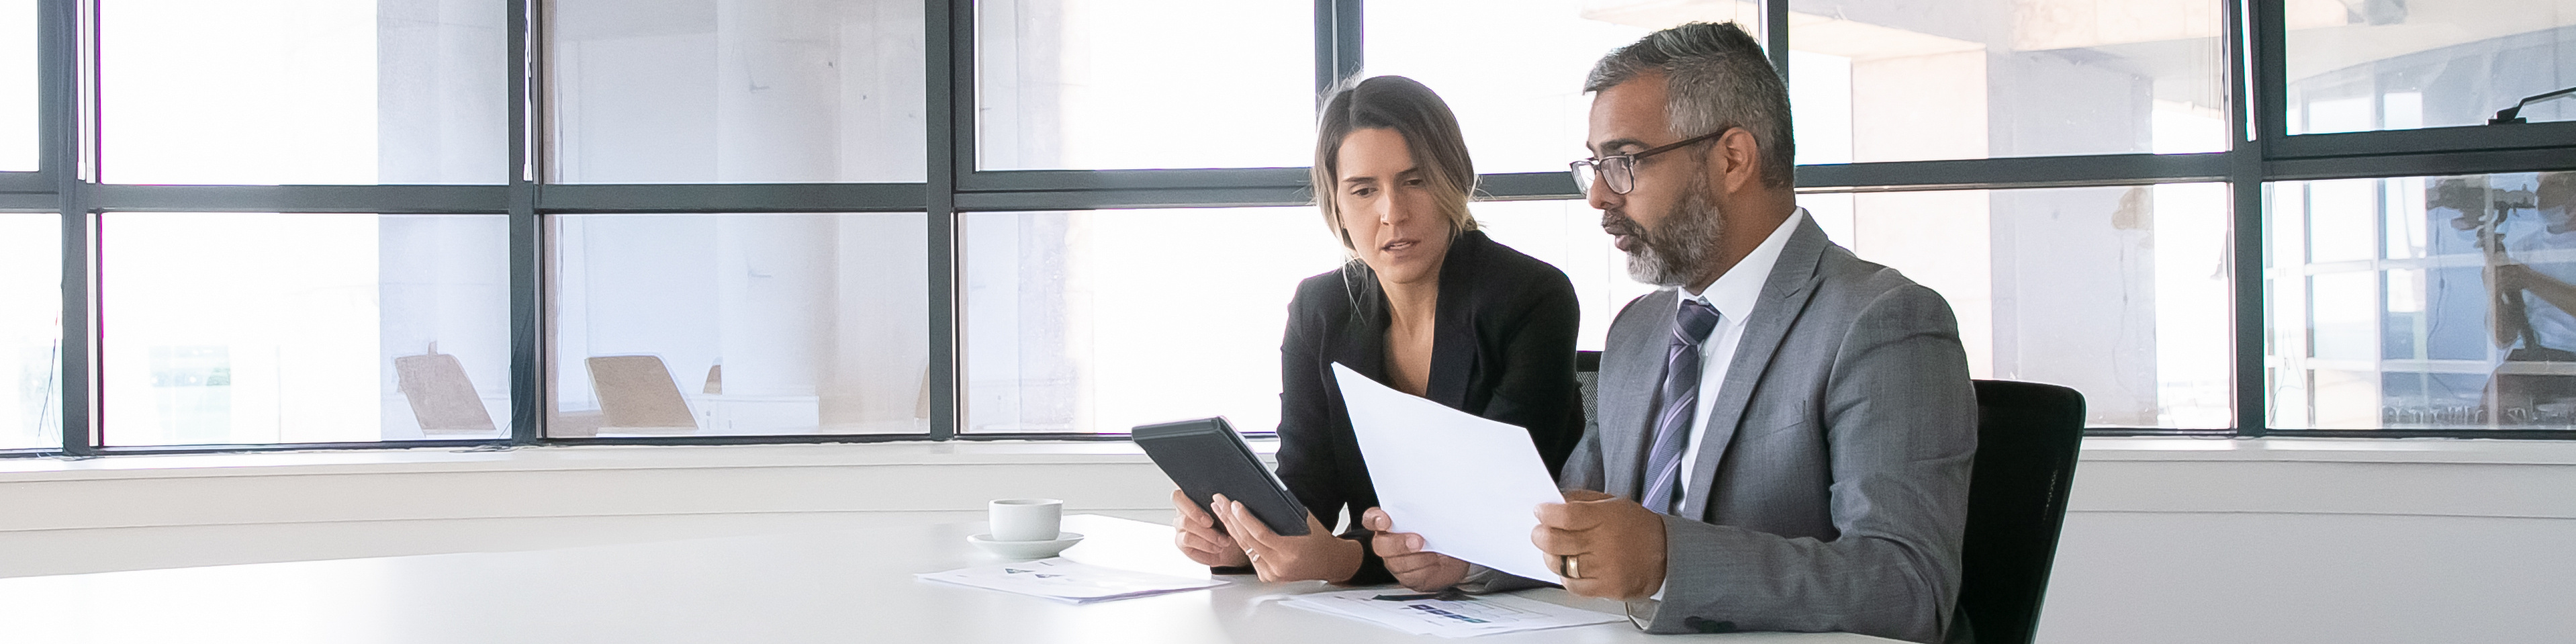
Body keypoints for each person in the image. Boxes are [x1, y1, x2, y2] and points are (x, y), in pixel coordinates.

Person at [1365, 23, 1978, 643]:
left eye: (1625, 161)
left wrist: (1666, 559)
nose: (1599, 195)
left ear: (1732, 158)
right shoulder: (1639, 329)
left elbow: (1908, 584)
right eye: (1595, 165)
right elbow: (1578, 512)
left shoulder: (1882, 321)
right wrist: (1471, 555)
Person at [1166, 76, 1588, 585]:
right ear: (1337, 206)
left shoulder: (1533, 297)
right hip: (1383, 614)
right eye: (1364, 190)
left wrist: (1344, 558)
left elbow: (1486, 512)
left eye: (1415, 181)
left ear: (1457, 180)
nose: (1393, 212)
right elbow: (1307, 490)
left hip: (1521, 600)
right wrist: (1245, 538)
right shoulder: (1319, 309)